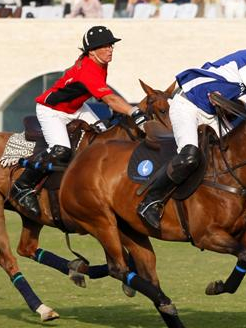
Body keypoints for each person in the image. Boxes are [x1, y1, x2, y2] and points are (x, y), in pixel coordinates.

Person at [137, 33, 246, 228]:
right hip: (188, 106)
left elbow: (241, 104)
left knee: (236, 155)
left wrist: (228, 102)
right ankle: (150, 201)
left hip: (212, 115)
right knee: (189, 156)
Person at [10, 26, 147, 217]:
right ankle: (22, 187)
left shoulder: (99, 62)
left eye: (111, 45)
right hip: (52, 110)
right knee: (61, 150)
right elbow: (110, 98)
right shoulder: (89, 70)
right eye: (105, 46)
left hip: (76, 108)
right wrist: (134, 112)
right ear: (92, 52)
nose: (110, 50)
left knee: (104, 135)